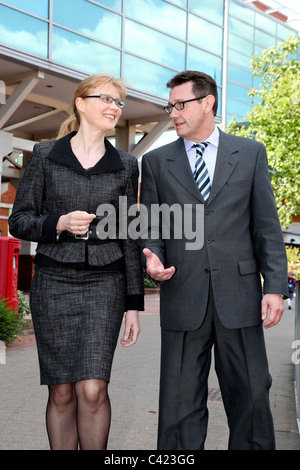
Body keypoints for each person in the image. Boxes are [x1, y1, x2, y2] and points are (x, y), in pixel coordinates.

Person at [140, 70, 288, 450]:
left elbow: (266, 227)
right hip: (183, 293)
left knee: (252, 395)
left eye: (180, 104)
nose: (172, 113)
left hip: (239, 295)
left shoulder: (251, 152)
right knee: (178, 403)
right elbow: (152, 225)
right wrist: (152, 257)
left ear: (208, 103)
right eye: (169, 105)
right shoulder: (155, 162)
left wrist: (274, 287)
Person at [9, 73, 144, 450]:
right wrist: (59, 223)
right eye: (107, 99)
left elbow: (129, 235)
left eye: (119, 102)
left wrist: (134, 305)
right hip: (53, 285)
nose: (114, 107)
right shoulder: (45, 156)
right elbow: (18, 220)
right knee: (63, 392)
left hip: (105, 285)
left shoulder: (127, 164)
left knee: (92, 388)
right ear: (81, 103)